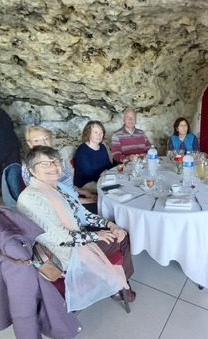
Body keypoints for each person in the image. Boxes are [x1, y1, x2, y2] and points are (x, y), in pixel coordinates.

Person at [16, 146, 136, 305]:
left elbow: (82, 213)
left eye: (55, 161)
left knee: (120, 231)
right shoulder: (32, 198)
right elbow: (60, 239)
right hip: (64, 254)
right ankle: (121, 287)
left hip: (76, 235)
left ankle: (116, 282)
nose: (53, 167)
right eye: (44, 164)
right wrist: (97, 235)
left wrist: (109, 224)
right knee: (121, 240)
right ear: (32, 170)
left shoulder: (58, 187)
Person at [21, 126, 98, 213]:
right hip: (64, 207)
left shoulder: (56, 157)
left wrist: (84, 192)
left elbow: (66, 182)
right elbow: (48, 198)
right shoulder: (30, 166)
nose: (43, 143)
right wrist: (86, 201)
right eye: (36, 140)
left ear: (51, 140)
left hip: (74, 196)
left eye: (46, 138)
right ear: (29, 143)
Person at [74, 121, 113, 188]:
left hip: (104, 179)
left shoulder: (102, 147)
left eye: (101, 132)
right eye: (95, 132)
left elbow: (109, 165)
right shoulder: (82, 151)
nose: (99, 135)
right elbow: (89, 174)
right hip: (87, 183)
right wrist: (109, 179)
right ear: (88, 134)